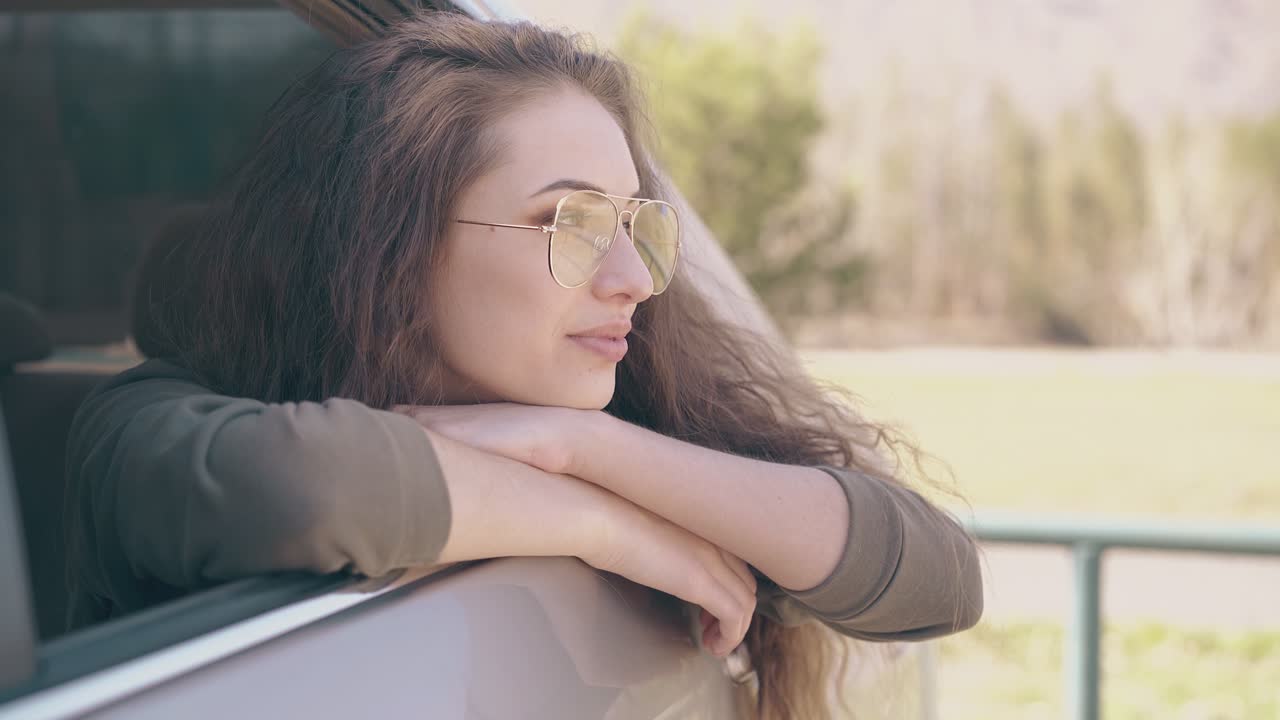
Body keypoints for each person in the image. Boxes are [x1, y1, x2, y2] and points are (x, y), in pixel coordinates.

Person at [64, 13, 982, 719]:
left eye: (636, 227)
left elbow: (938, 579)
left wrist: (577, 445)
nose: (633, 281)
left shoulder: (622, 401)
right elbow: (310, 488)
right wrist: (612, 529)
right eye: (572, 224)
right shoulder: (146, 425)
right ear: (388, 247)